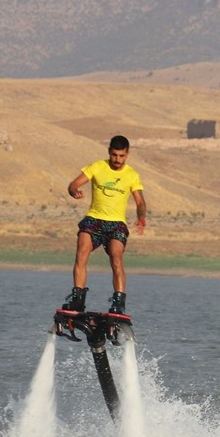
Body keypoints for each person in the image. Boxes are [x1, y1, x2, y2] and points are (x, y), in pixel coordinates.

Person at [61, 135, 147, 316]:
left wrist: (141, 218)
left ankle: (119, 302)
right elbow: (73, 184)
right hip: (94, 219)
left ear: (127, 154)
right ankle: (78, 299)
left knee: (116, 258)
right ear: (109, 152)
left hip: (116, 224)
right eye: (114, 155)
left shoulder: (132, 175)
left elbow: (140, 202)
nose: (117, 159)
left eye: (121, 156)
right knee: (82, 252)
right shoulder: (97, 167)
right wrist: (74, 191)